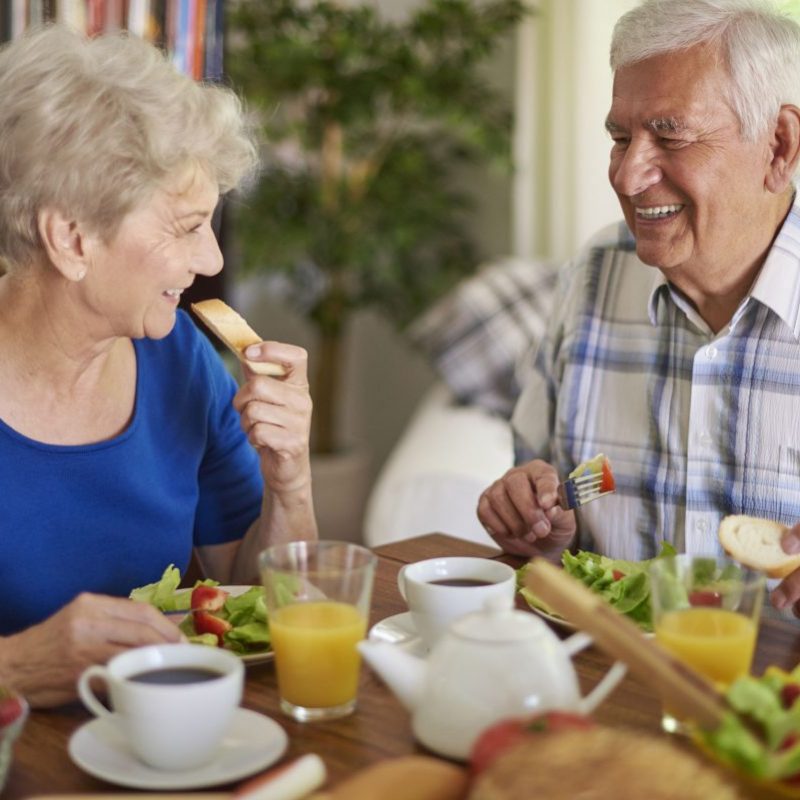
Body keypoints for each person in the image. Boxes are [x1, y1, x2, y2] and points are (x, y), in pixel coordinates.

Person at [0, 25, 317, 706]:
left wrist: (289, 481)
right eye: (185, 227)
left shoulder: (181, 358)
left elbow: (263, 606)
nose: (213, 260)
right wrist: (16, 666)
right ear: (72, 237)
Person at [477, 0, 800, 615]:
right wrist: (539, 524)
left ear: (779, 146)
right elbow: (545, 496)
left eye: (670, 135)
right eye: (620, 138)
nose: (627, 177)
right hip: (606, 681)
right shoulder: (596, 272)